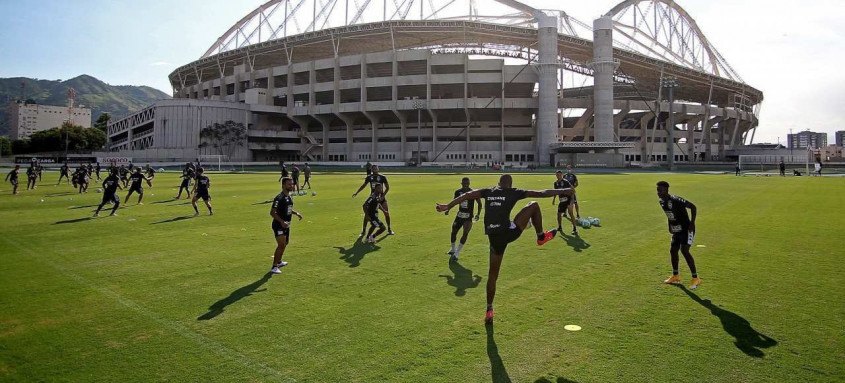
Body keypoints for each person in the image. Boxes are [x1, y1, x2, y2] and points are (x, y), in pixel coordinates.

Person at [435, 174, 572, 324]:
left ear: (498, 183)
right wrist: (564, 190)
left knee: (492, 276)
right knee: (533, 205)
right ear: (510, 184)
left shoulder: (488, 191)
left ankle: (489, 309)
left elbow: (468, 195)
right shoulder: (513, 192)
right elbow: (541, 193)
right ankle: (540, 237)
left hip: (494, 239)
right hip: (509, 233)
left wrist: (448, 206)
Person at [656, 181, 701, 290]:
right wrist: (669, 226)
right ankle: (675, 276)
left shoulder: (676, 200)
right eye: (657, 190)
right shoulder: (662, 202)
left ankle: (696, 278)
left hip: (687, 229)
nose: (658, 192)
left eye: (660, 190)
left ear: (666, 190)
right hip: (677, 230)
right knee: (673, 250)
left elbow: (693, 207)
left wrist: (692, 223)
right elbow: (669, 215)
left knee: (684, 251)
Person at [269, 177, 303, 274]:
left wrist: (296, 213)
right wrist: (281, 222)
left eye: (292, 184)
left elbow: (287, 209)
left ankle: (279, 262)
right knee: (281, 245)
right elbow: (272, 212)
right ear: (283, 185)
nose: (291, 186)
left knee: (285, 244)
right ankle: (274, 266)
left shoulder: (288, 196)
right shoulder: (279, 198)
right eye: (289, 184)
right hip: (279, 225)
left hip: (286, 225)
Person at [444, 177, 481, 261]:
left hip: (468, 217)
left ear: (469, 183)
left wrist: (478, 214)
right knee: (453, 232)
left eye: (467, 183)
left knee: (465, 234)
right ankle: (453, 249)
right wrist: (448, 209)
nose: (466, 185)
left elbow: (480, 204)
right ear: (461, 183)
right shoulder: (458, 192)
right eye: (464, 184)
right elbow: (454, 202)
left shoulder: (473, 192)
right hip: (459, 216)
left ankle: (457, 253)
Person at [353, 164, 394, 235]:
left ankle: (389, 229)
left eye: (376, 168)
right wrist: (357, 192)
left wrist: (383, 196)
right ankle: (363, 231)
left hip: (381, 198)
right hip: (373, 199)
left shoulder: (382, 177)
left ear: (378, 169)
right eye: (373, 168)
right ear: (371, 170)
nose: (375, 169)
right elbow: (364, 185)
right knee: (367, 214)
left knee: (386, 213)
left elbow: (387, 188)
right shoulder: (369, 177)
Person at [552, 170, 578, 235]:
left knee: (570, 213)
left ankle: (575, 229)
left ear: (562, 175)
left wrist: (572, 201)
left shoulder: (566, 182)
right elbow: (555, 192)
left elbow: (573, 190)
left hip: (568, 200)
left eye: (559, 175)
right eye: (557, 175)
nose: (558, 176)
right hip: (562, 201)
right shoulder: (555, 183)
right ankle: (560, 227)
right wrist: (554, 199)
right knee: (558, 214)